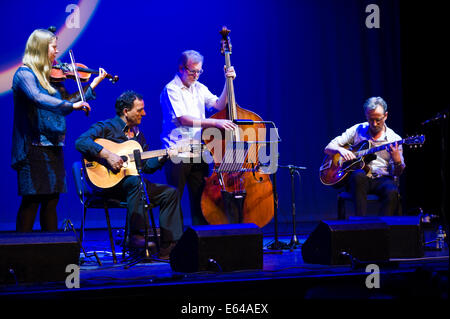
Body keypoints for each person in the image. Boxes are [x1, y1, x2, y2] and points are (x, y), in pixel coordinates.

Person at [11, 28, 107, 232]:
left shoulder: (51, 78)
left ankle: (49, 255)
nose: (57, 52)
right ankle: (18, 256)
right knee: (32, 201)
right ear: (40, 49)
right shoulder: (24, 75)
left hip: (53, 146)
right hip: (32, 148)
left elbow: (63, 106)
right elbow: (38, 98)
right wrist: (70, 105)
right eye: (53, 47)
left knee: (51, 201)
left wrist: (92, 87)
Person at [75, 90, 183, 259]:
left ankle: (170, 247)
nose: (144, 113)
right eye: (139, 110)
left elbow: (146, 167)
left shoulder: (139, 136)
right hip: (108, 185)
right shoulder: (107, 127)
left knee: (170, 193)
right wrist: (108, 155)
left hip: (132, 185)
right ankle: (135, 236)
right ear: (126, 111)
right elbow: (81, 141)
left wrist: (164, 157)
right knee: (135, 182)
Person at [160, 50, 237, 225]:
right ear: (181, 68)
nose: (196, 75)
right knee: (174, 199)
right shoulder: (171, 89)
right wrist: (214, 124)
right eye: (192, 71)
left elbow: (219, 104)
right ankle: (172, 245)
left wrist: (228, 80)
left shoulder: (199, 88)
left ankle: (200, 242)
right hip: (177, 152)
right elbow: (183, 119)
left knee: (201, 199)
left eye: (199, 72)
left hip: (198, 151)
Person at [324, 96, 406, 216]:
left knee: (392, 192)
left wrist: (397, 161)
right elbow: (328, 148)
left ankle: (383, 229)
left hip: (382, 178)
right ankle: (361, 225)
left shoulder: (395, 139)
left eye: (378, 119)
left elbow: (397, 173)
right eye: (370, 119)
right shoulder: (358, 130)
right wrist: (340, 150)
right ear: (366, 115)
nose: (374, 123)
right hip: (360, 180)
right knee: (358, 175)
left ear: (386, 116)